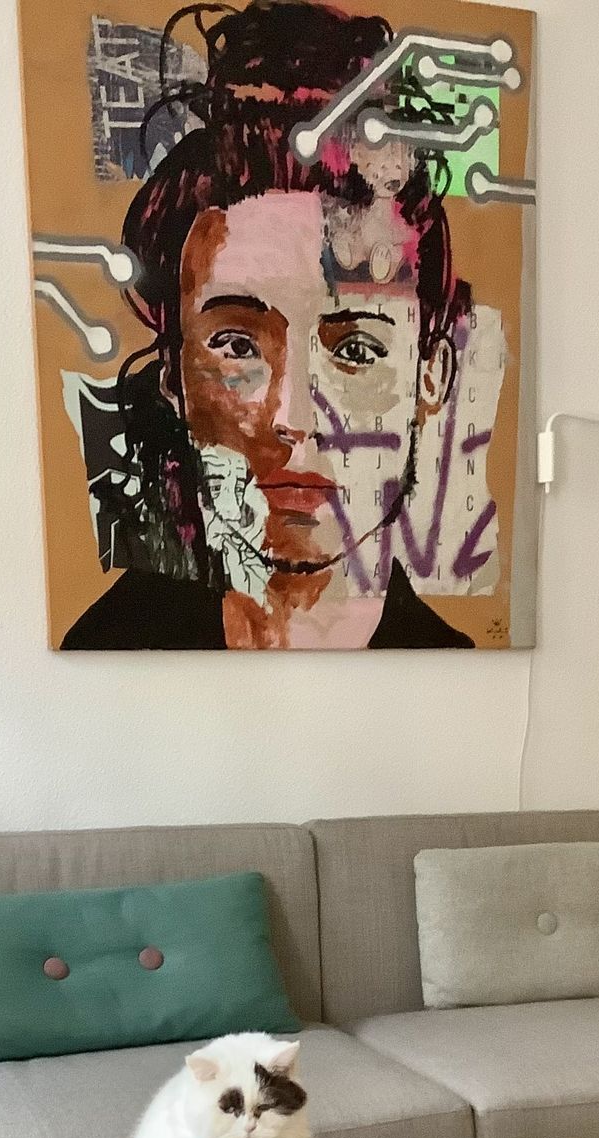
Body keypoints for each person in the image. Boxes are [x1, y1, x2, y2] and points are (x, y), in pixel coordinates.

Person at [62, 0, 475, 650]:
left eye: (357, 348)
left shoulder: (455, 672)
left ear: (430, 376)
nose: (294, 418)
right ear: (173, 375)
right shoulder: (108, 648)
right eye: (236, 344)